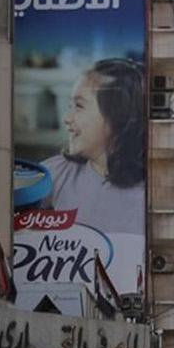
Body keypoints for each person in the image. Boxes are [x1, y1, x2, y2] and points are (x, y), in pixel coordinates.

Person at [40, 60, 147, 246]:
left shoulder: (145, 194)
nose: (67, 118)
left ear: (116, 118)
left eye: (79, 106)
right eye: (70, 106)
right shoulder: (56, 174)